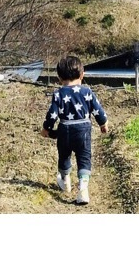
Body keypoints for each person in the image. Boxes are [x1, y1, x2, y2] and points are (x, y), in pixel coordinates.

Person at [41, 54, 108, 205]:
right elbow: (98, 110)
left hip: (64, 130)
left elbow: (52, 114)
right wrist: (103, 123)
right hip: (83, 129)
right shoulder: (87, 92)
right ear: (82, 74)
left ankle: (66, 182)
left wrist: (46, 128)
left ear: (59, 77)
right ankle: (83, 189)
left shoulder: (58, 94)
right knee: (84, 158)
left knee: (64, 156)